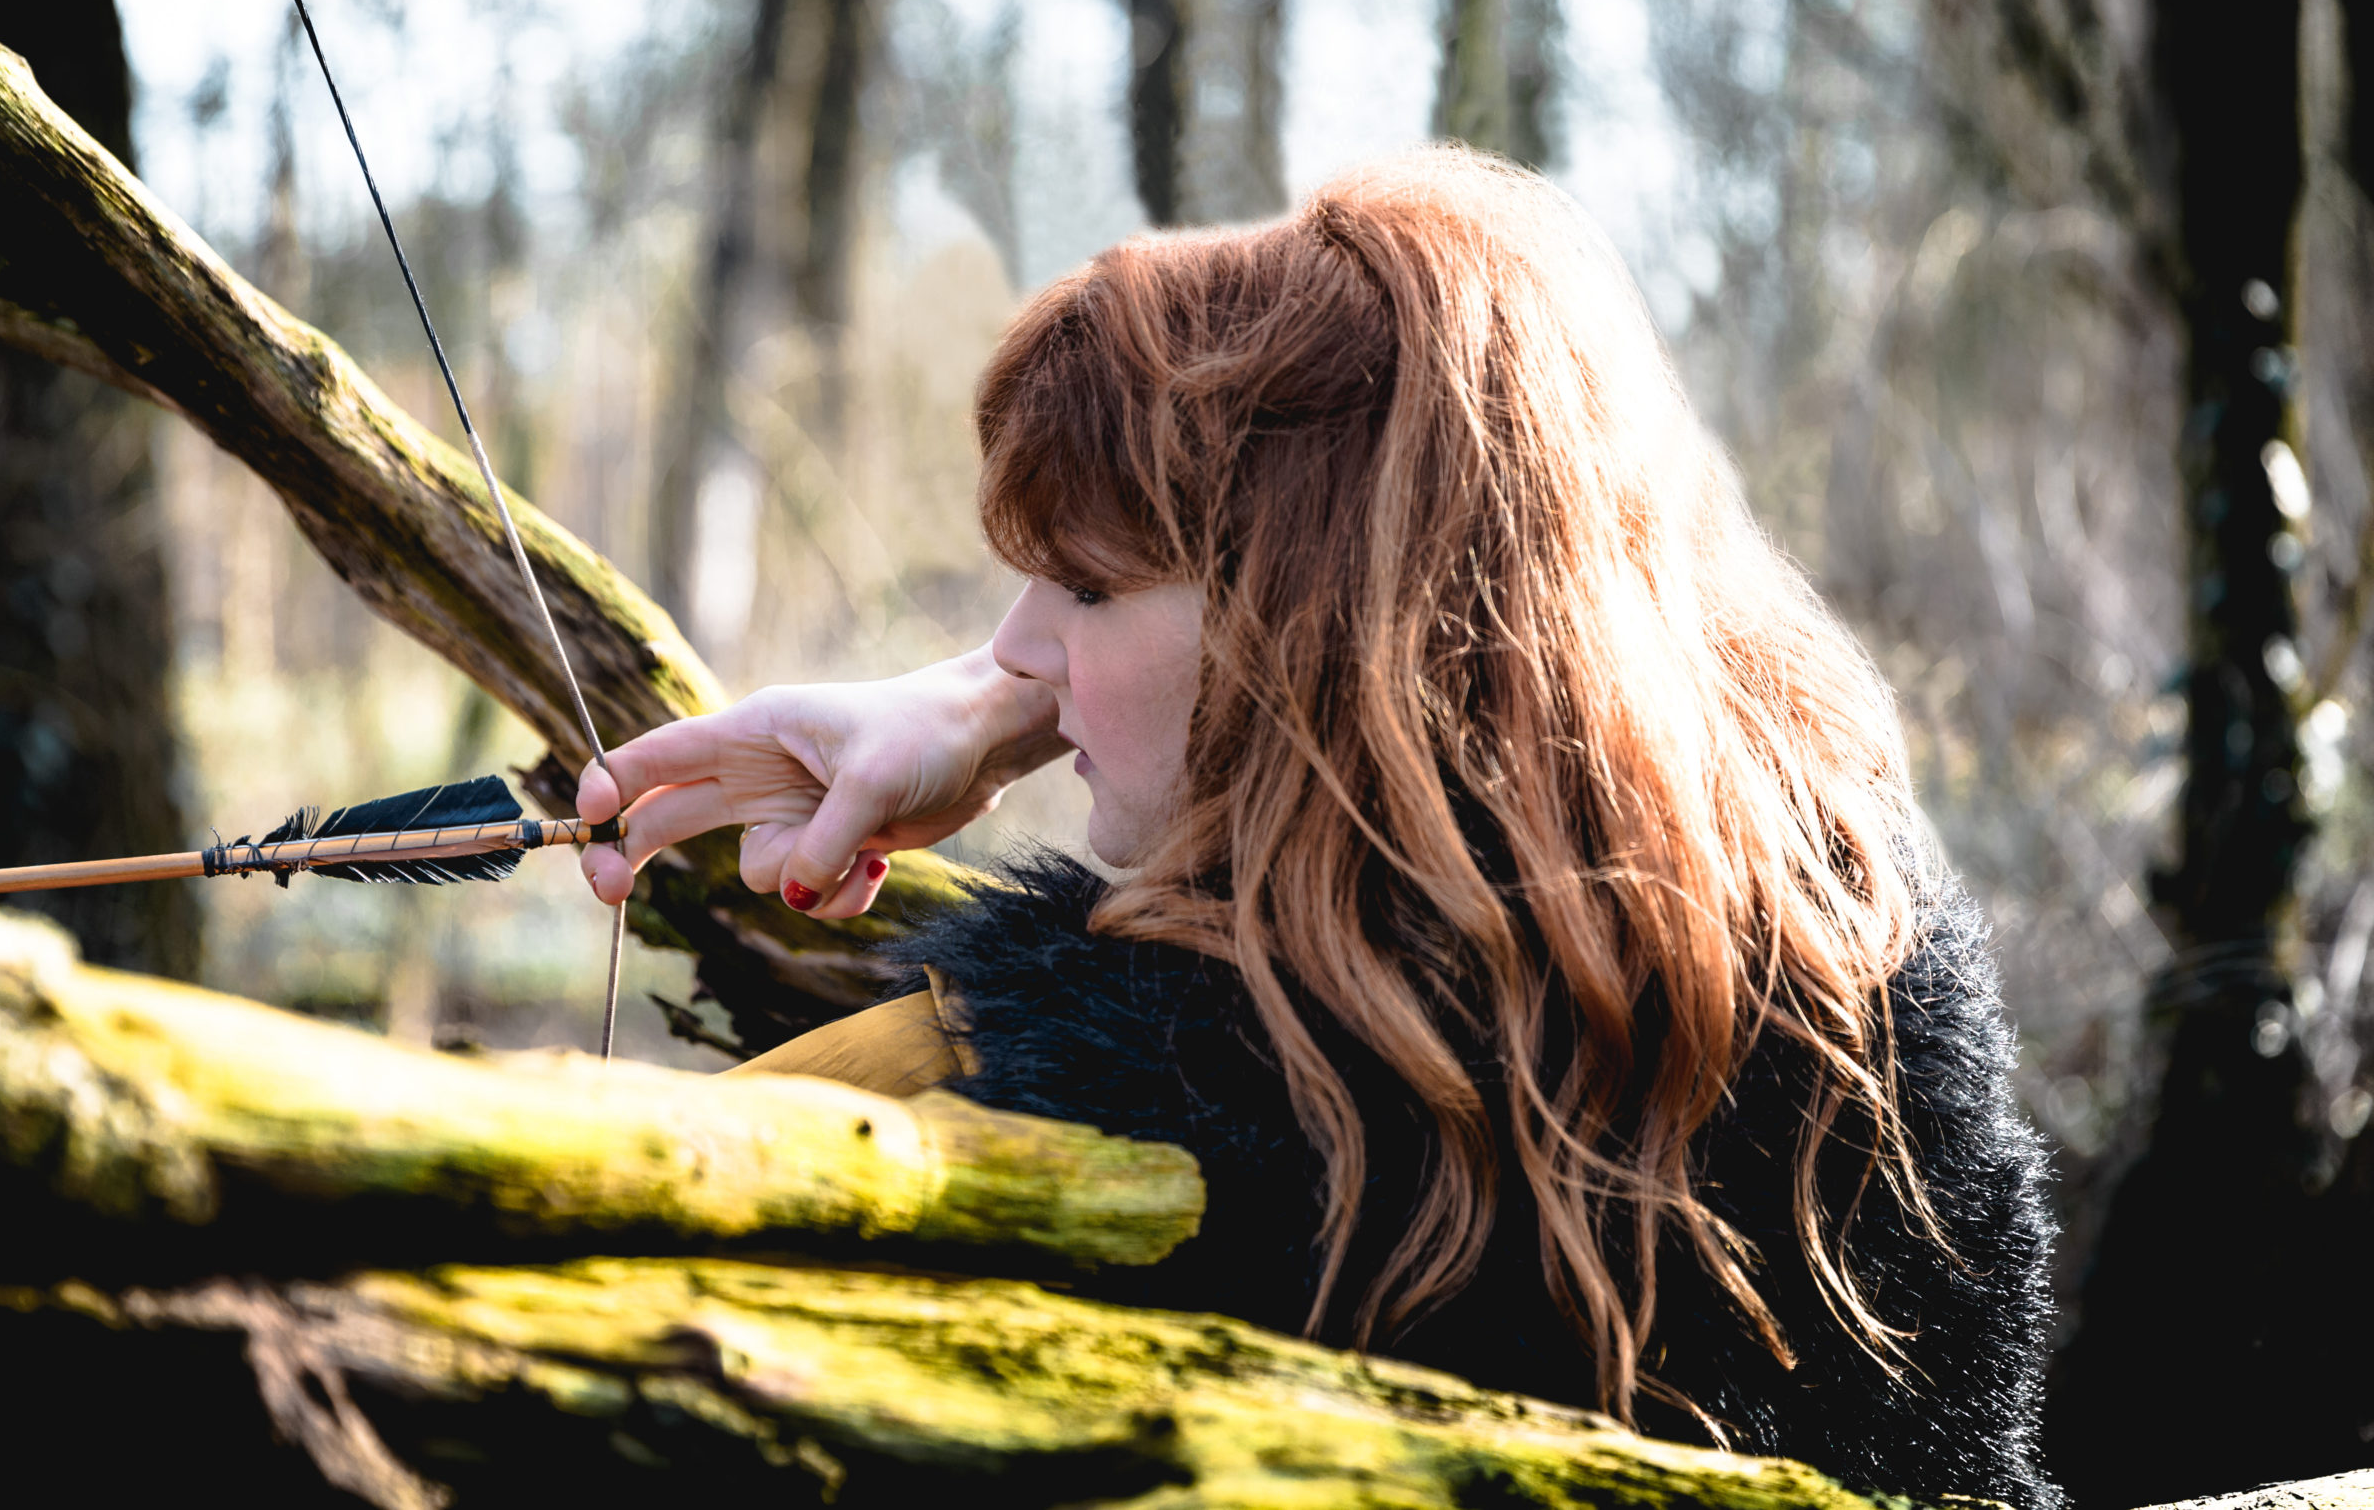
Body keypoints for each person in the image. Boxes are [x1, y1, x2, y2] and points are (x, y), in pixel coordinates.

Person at [576, 148, 2057, 1508]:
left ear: (1307, 636)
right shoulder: (1849, 961)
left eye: (1086, 589)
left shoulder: (1147, 1099)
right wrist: (1000, 698)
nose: (1017, 645)